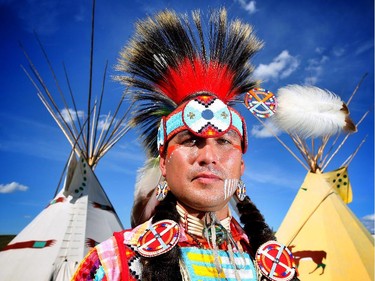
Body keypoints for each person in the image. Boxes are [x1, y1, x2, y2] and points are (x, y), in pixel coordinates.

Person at [72, 8, 298, 281]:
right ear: (164, 164)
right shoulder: (112, 263)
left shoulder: (272, 262)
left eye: (225, 142)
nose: (209, 156)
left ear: (241, 166)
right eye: (191, 141)